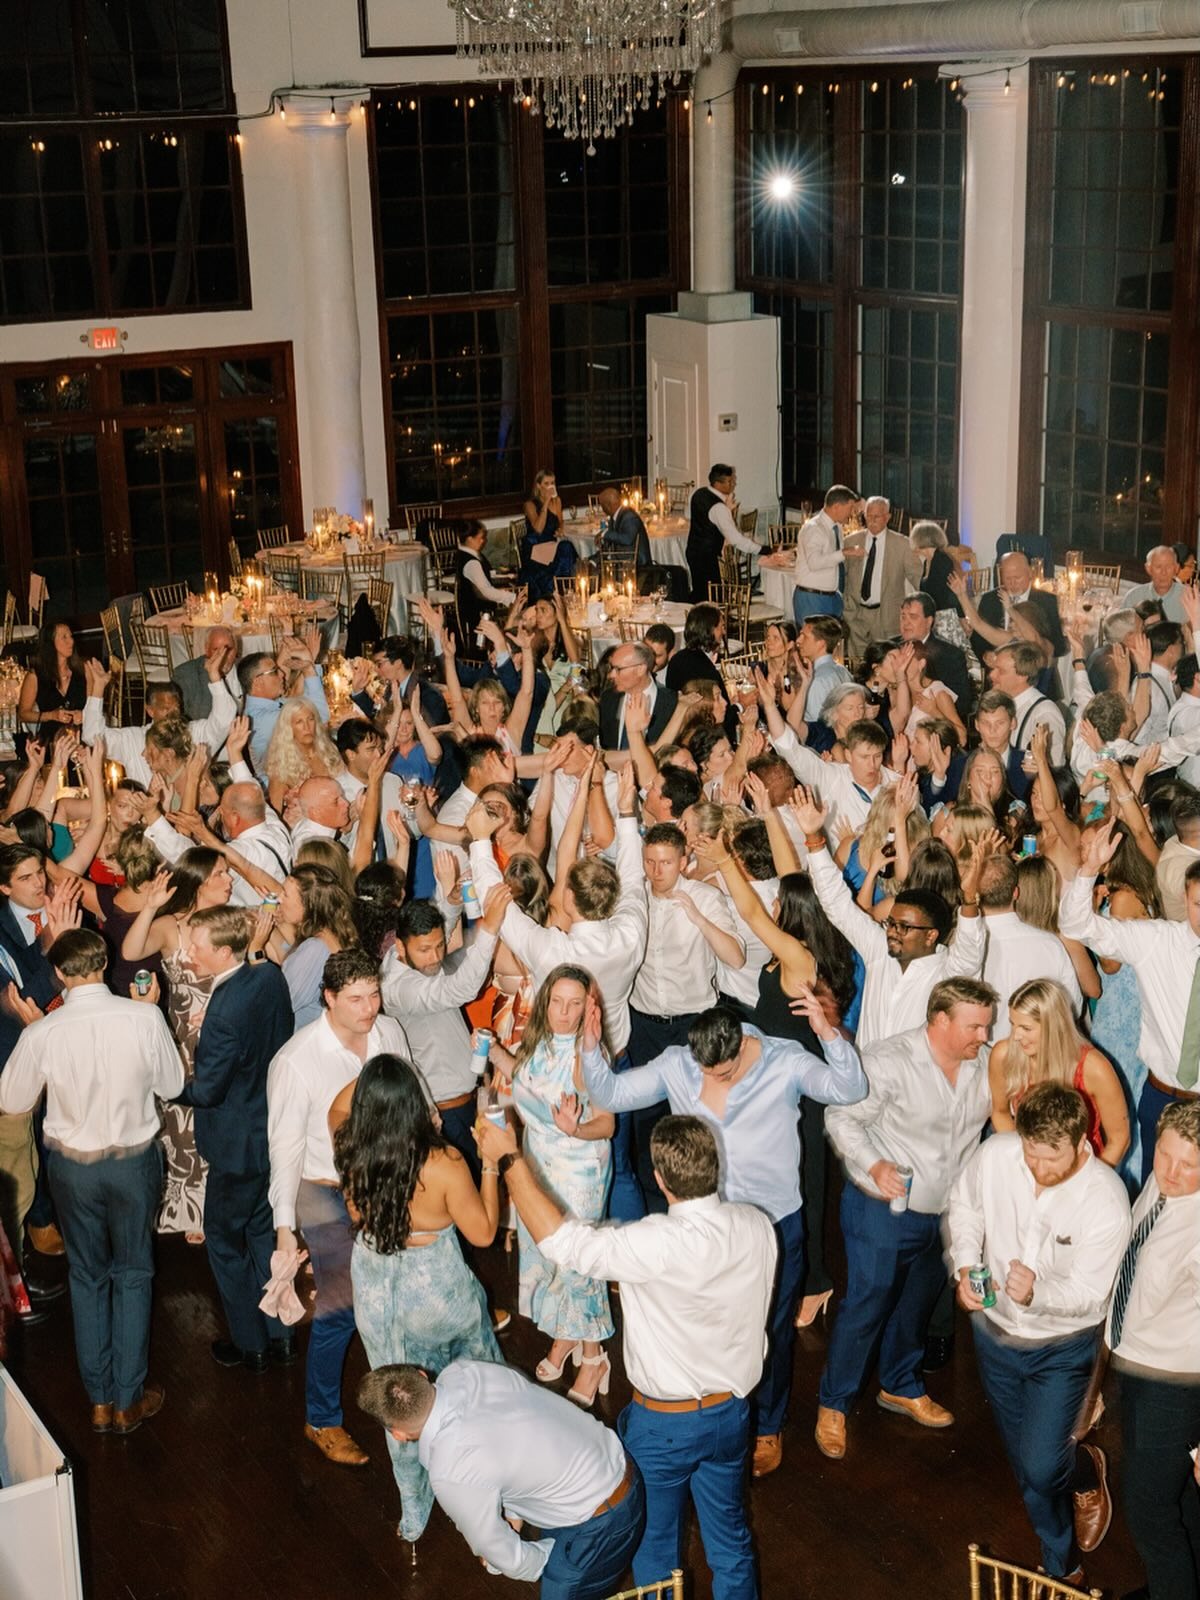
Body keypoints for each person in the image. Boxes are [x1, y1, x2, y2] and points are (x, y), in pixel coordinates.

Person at [480, 1112, 776, 1600]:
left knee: (656, 1550)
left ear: (659, 1179)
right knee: (732, 1543)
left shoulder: (654, 1242)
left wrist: (510, 1158)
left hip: (664, 1427)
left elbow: (559, 1242)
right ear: (714, 1167)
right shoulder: (756, 1225)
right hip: (733, 1414)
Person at [578, 993, 866, 1478]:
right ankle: (717, 1414)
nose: (712, 1081)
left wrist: (827, 1034)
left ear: (743, 1046)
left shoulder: (784, 1060)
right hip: (705, 1225)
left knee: (771, 1328)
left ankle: (767, 1426)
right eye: (705, 1072)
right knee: (710, 1321)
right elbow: (613, 1096)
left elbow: (849, 1088)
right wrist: (591, 1048)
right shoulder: (678, 1064)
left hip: (774, 1224)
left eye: (725, 1073)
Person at [0, 928, 183, 1434]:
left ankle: (100, 1402)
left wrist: (34, 1033)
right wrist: (154, 1012)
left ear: (59, 974)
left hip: (71, 1171)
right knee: (134, 1274)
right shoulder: (143, 1017)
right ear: (103, 963)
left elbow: (12, 1102)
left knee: (86, 1276)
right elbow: (171, 1085)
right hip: (133, 1164)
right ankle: (128, 1399)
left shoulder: (45, 1031)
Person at [949, 1082, 1131, 1585]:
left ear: (1081, 1142)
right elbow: (965, 1206)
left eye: (1051, 1159)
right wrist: (965, 1265)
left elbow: (1093, 1296)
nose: (1038, 1168)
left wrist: (1039, 1294)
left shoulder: (1107, 1201)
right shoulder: (997, 1155)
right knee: (1027, 1463)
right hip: (995, 1337)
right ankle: (1063, 1561)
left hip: (1063, 1348)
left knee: (1042, 1467)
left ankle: (1080, 1473)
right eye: (1031, 1153)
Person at [816, 978, 997, 1461]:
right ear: (939, 1020)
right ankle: (833, 1402)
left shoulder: (987, 1066)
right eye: (975, 1026)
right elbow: (841, 1117)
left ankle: (900, 1383)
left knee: (917, 1305)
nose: (984, 1035)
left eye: (986, 1025)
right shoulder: (887, 1061)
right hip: (882, 1208)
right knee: (869, 1301)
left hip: (945, 1213)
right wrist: (875, 1163)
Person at [330, 1053, 503, 1544]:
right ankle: (486, 1488)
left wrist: (373, 1078)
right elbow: (485, 1232)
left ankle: (414, 1507)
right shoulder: (443, 1163)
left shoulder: (348, 1144)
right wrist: (489, 1165)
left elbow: (338, 1105)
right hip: (435, 1289)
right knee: (477, 1383)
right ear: (415, 1107)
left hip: (376, 1287)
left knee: (399, 1397)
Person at [267, 949, 411, 1466]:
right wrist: (285, 1228)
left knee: (395, 1290)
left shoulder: (389, 1032)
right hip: (322, 1188)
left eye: (374, 994)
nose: (369, 1007)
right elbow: (283, 1150)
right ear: (328, 998)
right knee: (341, 1304)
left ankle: (404, 1398)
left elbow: (410, 1092)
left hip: (385, 1181)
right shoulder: (296, 1060)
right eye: (355, 999)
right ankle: (321, 1419)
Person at [357, 1360, 645, 1599]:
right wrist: (513, 1515)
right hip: (619, 1462)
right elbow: (521, 1431)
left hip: (600, 1523)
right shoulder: (465, 1372)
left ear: (398, 1435)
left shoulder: (450, 1469)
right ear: (422, 1376)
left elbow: (501, 1551)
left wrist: (546, 1559)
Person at [487, 965, 615, 1408]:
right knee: (548, 1257)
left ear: (587, 1008)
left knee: (576, 1263)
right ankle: (565, 1334)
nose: (563, 1013)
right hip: (537, 1164)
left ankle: (595, 1355)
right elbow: (526, 1079)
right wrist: (492, 1050)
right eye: (556, 1002)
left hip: (578, 1171)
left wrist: (575, 1129)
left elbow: (608, 1124)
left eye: (574, 1004)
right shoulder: (538, 1042)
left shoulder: (588, 1056)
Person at [178, 905, 295, 1369]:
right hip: (269, 1129)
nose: (190, 952)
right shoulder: (266, 975)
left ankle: (251, 1344)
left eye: (198, 946)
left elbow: (206, 1091)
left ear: (225, 952)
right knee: (262, 1235)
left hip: (235, 1146)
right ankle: (280, 1332)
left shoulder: (225, 1008)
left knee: (224, 1242)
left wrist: (165, 1082)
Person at [1058, 818, 1200, 1173]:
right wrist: (1089, 870)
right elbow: (1078, 926)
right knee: (1155, 1197)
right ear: (1185, 899)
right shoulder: (1157, 940)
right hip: (1161, 1099)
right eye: (1199, 904)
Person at [795, 787, 988, 1047]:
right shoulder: (878, 950)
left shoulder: (945, 972)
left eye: (904, 927)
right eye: (892, 923)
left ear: (931, 935)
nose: (892, 931)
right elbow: (837, 905)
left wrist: (969, 900)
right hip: (869, 1084)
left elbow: (969, 952)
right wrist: (814, 838)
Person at [1106, 1099, 1200, 1600]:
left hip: (1177, 1385)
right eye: (1165, 1155)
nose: (1171, 1172)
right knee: (1177, 1497)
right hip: (1140, 1366)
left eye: (1189, 1165)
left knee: (1149, 1514)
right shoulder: (1162, 1190)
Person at [120, 848, 235, 1240]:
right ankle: (190, 1208)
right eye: (221, 874)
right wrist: (150, 907)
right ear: (201, 880)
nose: (229, 880)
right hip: (184, 1042)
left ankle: (220, 1202)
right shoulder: (173, 925)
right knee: (183, 1126)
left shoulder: (235, 921)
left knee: (226, 1120)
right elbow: (131, 952)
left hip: (227, 1036)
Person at [379, 885, 511, 1171]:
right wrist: (489, 929)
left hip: (462, 1104)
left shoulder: (401, 956)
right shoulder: (401, 989)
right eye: (425, 950)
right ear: (400, 947)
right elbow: (461, 989)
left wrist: (450, 905)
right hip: (445, 1114)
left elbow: (432, 933)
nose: (436, 957)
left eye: (440, 946)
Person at [988, 978, 1130, 1168]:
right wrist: (1024, 1161)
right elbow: (1000, 1112)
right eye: (1013, 1024)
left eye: (1026, 1028)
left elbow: (1120, 1138)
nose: (1016, 1036)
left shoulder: (1093, 1067)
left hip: (1082, 1167)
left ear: (1053, 1027)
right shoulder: (1003, 1055)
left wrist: (1090, 1179)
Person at [83, 658, 237, 784]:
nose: (173, 714)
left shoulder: (194, 733)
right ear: (150, 710)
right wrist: (98, 688)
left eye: (176, 708)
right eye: (165, 709)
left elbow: (223, 720)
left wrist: (215, 678)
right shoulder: (133, 739)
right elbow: (93, 737)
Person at [977, 853, 1083, 1031]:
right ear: (1016, 893)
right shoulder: (1050, 945)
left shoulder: (962, 946)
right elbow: (1072, 1008)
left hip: (981, 1052)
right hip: (1037, 1051)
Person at [273, 863, 359, 1029]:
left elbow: (279, 1004)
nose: (279, 899)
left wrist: (256, 953)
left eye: (286, 895)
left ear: (308, 905)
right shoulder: (330, 933)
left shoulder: (315, 948)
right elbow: (292, 963)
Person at [237, 633, 330, 772]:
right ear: (258, 682)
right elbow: (320, 716)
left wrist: (308, 661)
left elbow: (300, 697)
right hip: (282, 786)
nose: (282, 674)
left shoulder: (268, 704)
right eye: (274, 671)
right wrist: (309, 668)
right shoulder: (260, 718)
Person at [841, 495, 922, 657]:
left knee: (884, 663)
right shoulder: (851, 541)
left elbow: (918, 578)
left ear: (887, 517)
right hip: (856, 615)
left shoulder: (902, 544)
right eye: (867, 516)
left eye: (876, 516)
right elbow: (841, 576)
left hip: (885, 616)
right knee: (858, 665)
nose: (871, 520)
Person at [967, 551, 1067, 666]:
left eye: (1017, 578)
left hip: (1035, 670)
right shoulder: (990, 600)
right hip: (999, 669)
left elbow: (1059, 646)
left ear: (1030, 573)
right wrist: (986, 655)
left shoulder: (1047, 601)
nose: (1013, 583)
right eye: (1007, 579)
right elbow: (977, 640)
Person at [686, 464, 759, 603]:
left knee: (700, 594)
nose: (734, 483)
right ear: (718, 484)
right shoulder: (718, 507)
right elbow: (736, 539)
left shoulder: (698, 493)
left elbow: (689, 516)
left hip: (693, 552)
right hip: (709, 558)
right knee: (713, 599)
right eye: (730, 481)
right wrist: (762, 549)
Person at [265, 698, 345, 817]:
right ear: (288, 728)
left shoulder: (330, 753)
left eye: (310, 719)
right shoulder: (281, 769)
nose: (307, 727)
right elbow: (274, 817)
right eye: (299, 722)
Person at [791, 484, 858, 621]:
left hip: (832, 597)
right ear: (837, 507)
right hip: (812, 598)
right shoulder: (814, 529)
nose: (852, 513)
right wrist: (843, 553)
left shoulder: (836, 527)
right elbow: (814, 563)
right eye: (850, 508)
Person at [599, 642, 678, 751]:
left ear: (640, 669)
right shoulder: (609, 699)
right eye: (612, 668)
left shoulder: (672, 703)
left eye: (618, 669)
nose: (611, 675)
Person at [18, 620, 85, 740]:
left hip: (81, 737)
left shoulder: (82, 671)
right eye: (64, 637)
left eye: (71, 636)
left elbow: (97, 708)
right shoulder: (35, 676)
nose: (71, 641)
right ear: (50, 643)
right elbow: (23, 714)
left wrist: (84, 715)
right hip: (51, 739)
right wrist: (51, 715)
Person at [453, 520, 517, 640]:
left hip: (472, 603)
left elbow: (485, 575)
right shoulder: (472, 563)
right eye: (480, 538)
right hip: (477, 609)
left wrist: (505, 576)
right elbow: (486, 592)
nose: (484, 541)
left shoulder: (465, 554)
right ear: (470, 539)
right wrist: (511, 597)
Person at [521, 469, 577, 600]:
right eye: (546, 483)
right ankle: (556, 589)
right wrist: (545, 503)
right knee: (566, 548)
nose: (550, 487)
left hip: (551, 543)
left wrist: (560, 530)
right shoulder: (530, 504)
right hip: (536, 545)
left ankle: (561, 588)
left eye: (553, 483)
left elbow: (560, 521)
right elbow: (538, 529)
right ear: (539, 485)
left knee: (566, 547)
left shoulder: (557, 501)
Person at [174, 626, 241, 721]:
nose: (223, 656)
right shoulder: (186, 676)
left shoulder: (248, 669)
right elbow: (178, 722)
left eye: (228, 649)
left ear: (236, 650)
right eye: (216, 650)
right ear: (207, 650)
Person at [1125, 543, 1188, 624]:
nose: (1164, 572)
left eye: (1168, 567)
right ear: (1148, 569)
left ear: (1176, 568)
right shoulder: (1133, 597)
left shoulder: (1189, 596)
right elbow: (1120, 631)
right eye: (1158, 567)